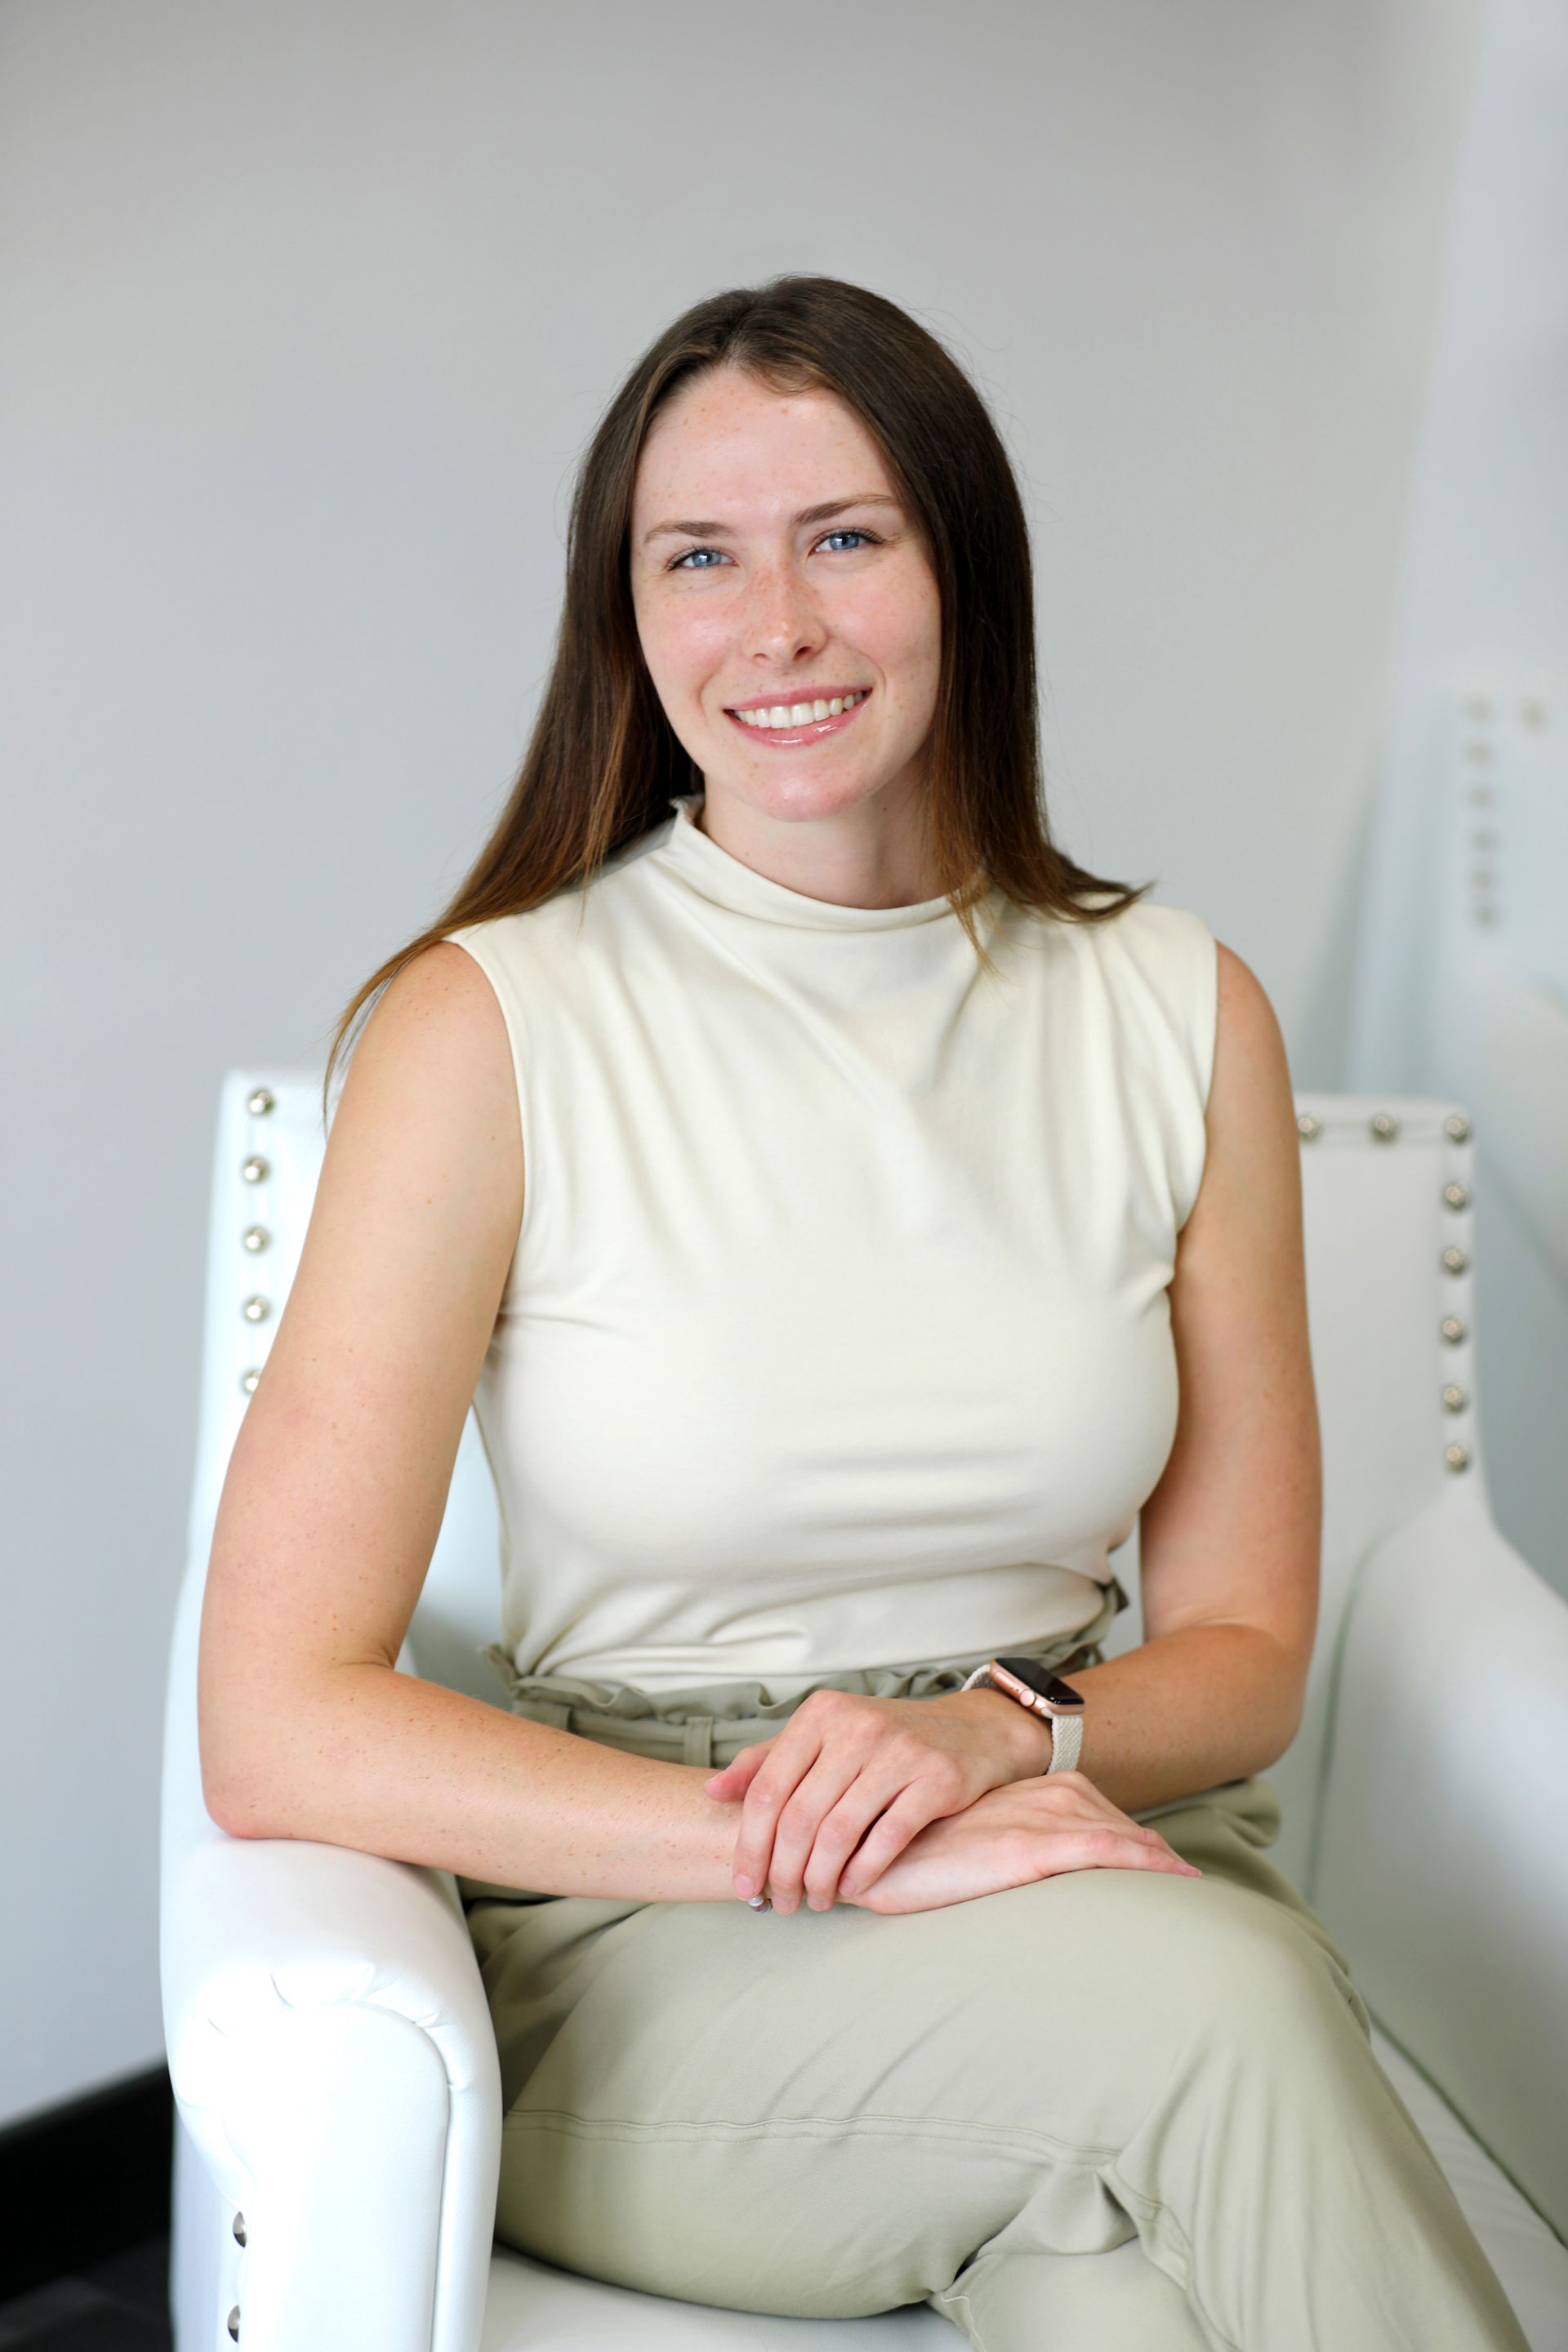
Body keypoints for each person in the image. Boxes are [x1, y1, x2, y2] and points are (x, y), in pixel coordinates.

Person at [198, 275, 1530, 2351]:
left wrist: (986, 1744)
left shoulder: (1182, 1012)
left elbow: (1251, 1654)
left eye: (846, 536)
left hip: (1068, 1856)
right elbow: (275, 1721)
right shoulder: (492, 1026)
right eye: (698, 556)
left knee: (1135, 2301)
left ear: (962, 570)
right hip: (652, 1938)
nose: (777, 625)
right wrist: (789, 1853)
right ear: (626, 616)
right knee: (1226, 2021)